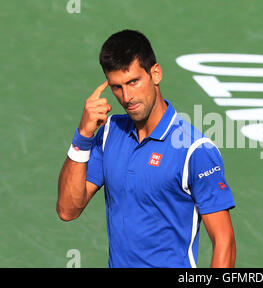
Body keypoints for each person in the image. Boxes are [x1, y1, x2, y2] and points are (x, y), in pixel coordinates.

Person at [57, 29, 236, 268]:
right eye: (117, 87)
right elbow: (68, 210)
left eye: (133, 82)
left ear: (156, 74)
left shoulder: (195, 150)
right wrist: (83, 136)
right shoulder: (109, 133)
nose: (127, 96)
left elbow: (225, 241)